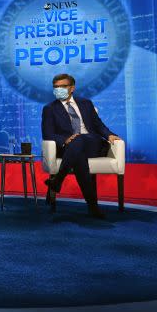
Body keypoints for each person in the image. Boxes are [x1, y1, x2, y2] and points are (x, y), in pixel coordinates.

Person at [41, 73, 122, 219]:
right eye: (56, 87)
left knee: (79, 141)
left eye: (62, 86)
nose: (58, 89)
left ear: (72, 88)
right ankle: (93, 206)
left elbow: (98, 125)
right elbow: (48, 134)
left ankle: (58, 180)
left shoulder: (86, 103)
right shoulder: (49, 109)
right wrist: (65, 140)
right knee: (78, 155)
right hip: (70, 147)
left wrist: (109, 135)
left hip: (93, 143)